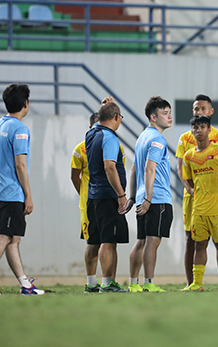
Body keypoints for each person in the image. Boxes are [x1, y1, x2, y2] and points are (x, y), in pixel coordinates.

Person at [0, 83, 43, 295]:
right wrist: (28, 196)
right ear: (25, 103)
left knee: (13, 238)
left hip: (1, 191)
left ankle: (25, 284)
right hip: (13, 193)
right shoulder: (20, 129)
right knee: (4, 236)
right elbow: (20, 165)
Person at [175, 95, 218, 290]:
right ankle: (191, 283)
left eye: (203, 109)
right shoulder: (185, 138)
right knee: (191, 239)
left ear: (211, 111)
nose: (199, 112)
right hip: (193, 198)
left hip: (216, 197)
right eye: (196, 109)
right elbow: (180, 167)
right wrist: (189, 189)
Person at [128, 96, 173, 293]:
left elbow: (133, 168)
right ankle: (149, 283)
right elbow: (148, 169)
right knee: (152, 241)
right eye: (164, 113)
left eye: (169, 112)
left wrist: (133, 197)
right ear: (153, 117)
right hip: (156, 198)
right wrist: (148, 197)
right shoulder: (157, 138)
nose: (169, 117)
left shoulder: (142, 137)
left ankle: (132, 283)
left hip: (142, 197)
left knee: (142, 241)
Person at [86, 101, 130, 293]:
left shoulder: (91, 133)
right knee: (108, 241)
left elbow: (101, 117)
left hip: (93, 196)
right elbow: (109, 166)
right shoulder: (110, 137)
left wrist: (105, 105)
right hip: (108, 196)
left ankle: (91, 283)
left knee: (93, 241)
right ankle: (107, 282)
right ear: (116, 118)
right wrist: (121, 195)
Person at [71, 112, 106, 293]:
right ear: (90, 128)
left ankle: (108, 282)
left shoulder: (111, 146)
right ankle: (91, 282)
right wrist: (84, 194)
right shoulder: (80, 149)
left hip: (107, 202)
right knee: (93, 243)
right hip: (89, 204)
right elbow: (74, 177)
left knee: (108, 242)